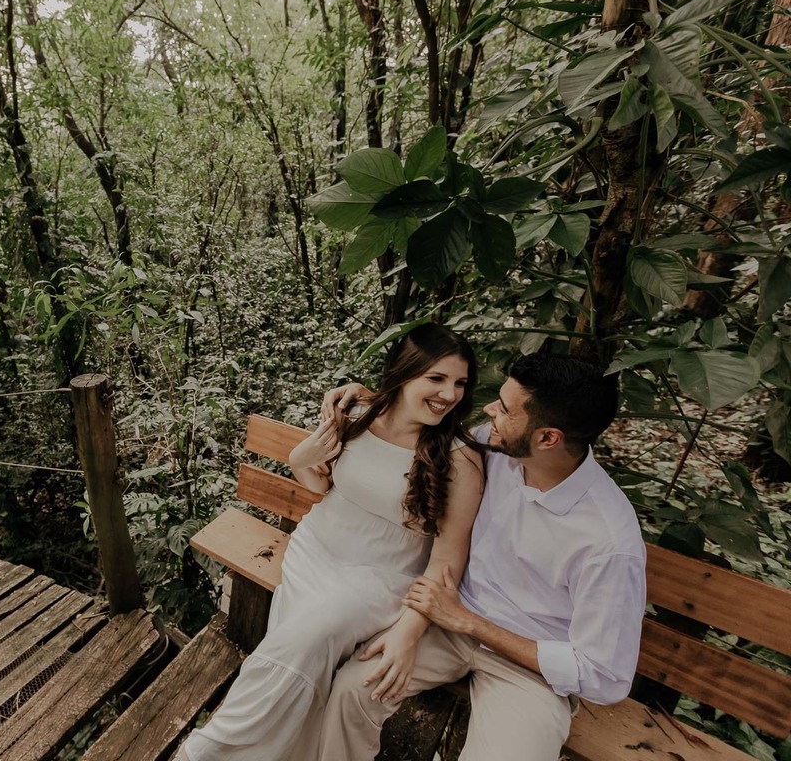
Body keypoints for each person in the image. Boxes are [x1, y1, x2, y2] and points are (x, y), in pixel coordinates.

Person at [176, 324, 485, 761]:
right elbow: (320, 486)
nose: (449, 394)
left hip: (382, 576)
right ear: (404, 373)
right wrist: (300, 458)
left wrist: (409, 632)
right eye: (436, 378)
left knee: (307, 635)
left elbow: (446, 564)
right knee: (299, 646)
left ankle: (206, 751)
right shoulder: (357, 414)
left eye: (460, 383)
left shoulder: (458, 458)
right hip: (315, 549)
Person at [317, 352, 646, 761]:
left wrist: (471, 622)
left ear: (548, 438)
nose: (490, 410)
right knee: (354, 690)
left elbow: (604, 676)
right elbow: (432, 427)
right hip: (446, 625)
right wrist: (372, 398)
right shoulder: (493, 447)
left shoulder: (610, 543)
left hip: (530, 670)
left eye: (505, 409)